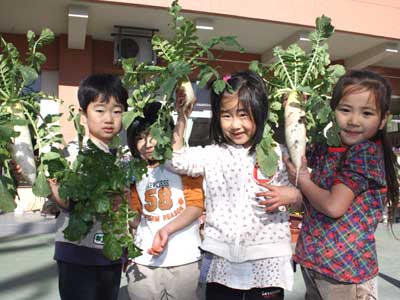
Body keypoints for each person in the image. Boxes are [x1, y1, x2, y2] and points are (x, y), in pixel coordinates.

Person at [171, 70, 303, 300]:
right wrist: (182, 117)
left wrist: (294, 195)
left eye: (243, 114)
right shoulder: (213, 154)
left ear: (259, 112)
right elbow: (176, 160)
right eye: (226, 115)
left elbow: (309, 192)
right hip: (221, 259)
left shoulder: (279, 153)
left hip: (267, 261)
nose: (235, 125)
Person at [285, 69, 399, 300]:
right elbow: (304, 183)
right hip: (316, 265)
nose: (354, 121)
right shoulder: (329, 149)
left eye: (366, 113)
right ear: (332, 110)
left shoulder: (365, 153)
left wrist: (302, 179)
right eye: (345, 110)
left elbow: (334, 206)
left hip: (345, 273)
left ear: (383, 120)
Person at [49, 74, 129, 300]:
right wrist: (49, 184)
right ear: (83, 116)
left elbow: (124, 208)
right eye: (100, 110)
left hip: (110, 254)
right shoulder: (71, 154)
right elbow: (65, 200)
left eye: (117, 111)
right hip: (76, 253)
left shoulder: (123, 159)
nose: (109, 118)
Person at [126, 101, 205, 300]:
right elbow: (135, 217)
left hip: (184, 258)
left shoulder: (183, 166)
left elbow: (196, 206)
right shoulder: (134, 174)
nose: (148, 143)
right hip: (144, 259)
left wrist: (166, 229)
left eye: (153, 135)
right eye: (140, 138)